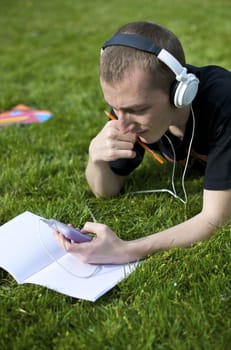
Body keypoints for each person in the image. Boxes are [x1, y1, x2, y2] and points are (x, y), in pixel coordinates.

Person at [55, 21, 231, 264]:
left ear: (180, 92)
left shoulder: (223, 102)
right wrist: (95, 158)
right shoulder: (129, 108)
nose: (123, 124)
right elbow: (106, 190)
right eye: (116, 107)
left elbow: (215, 218)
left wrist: (126, 250)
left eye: (137, 109)